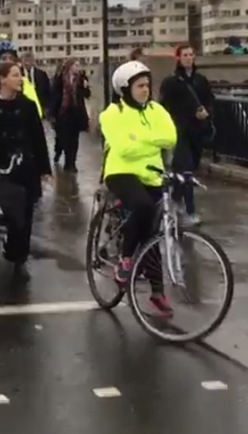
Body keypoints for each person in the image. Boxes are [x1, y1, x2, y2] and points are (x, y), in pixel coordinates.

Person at [99, 60, 177, 318]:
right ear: (125, 88)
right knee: (142, 207)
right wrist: (150, 141)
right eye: (140, 86)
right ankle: (125, 261)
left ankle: (157, 292)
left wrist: (139, 139)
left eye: (148, 85)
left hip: (151, 176)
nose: (146, 90)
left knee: (151, 233)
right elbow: (123, 148)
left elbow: (170, 137)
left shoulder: (157, 110)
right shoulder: (112, 113)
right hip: (121, 172)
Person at [0, 61, 51, 280]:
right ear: (2, 79)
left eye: (21, 75)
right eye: (15, 75)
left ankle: (18, 259)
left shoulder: (27, 105)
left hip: (24, 165)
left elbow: (38, 137)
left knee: (22, 216)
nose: (20, 79)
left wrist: (45, 168)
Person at [158, 45, 214, 224]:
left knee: (188, 170)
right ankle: (190, 211)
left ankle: (175, 199)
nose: (189, 58)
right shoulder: (171, 82)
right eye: (185, 55)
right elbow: (163, 107)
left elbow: (210, 100)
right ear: (178, 58)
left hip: (196, 132)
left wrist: (207, 112)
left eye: (191, 55)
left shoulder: (200, 80)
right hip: (179, 131)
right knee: (186, 169)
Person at [50, 58, 91, 172]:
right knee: (63, 138)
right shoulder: (60, 79)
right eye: (75, 65)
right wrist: (52, 112)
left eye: (79, 65)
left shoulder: (81, 79)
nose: (78, 68)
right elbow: (54, 95)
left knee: (74, 139)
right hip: (63, 112)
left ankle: (71, 163)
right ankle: (60, 154)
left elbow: (87, 95)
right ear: (69, 66)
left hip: (76, 112)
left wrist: (86, 87)